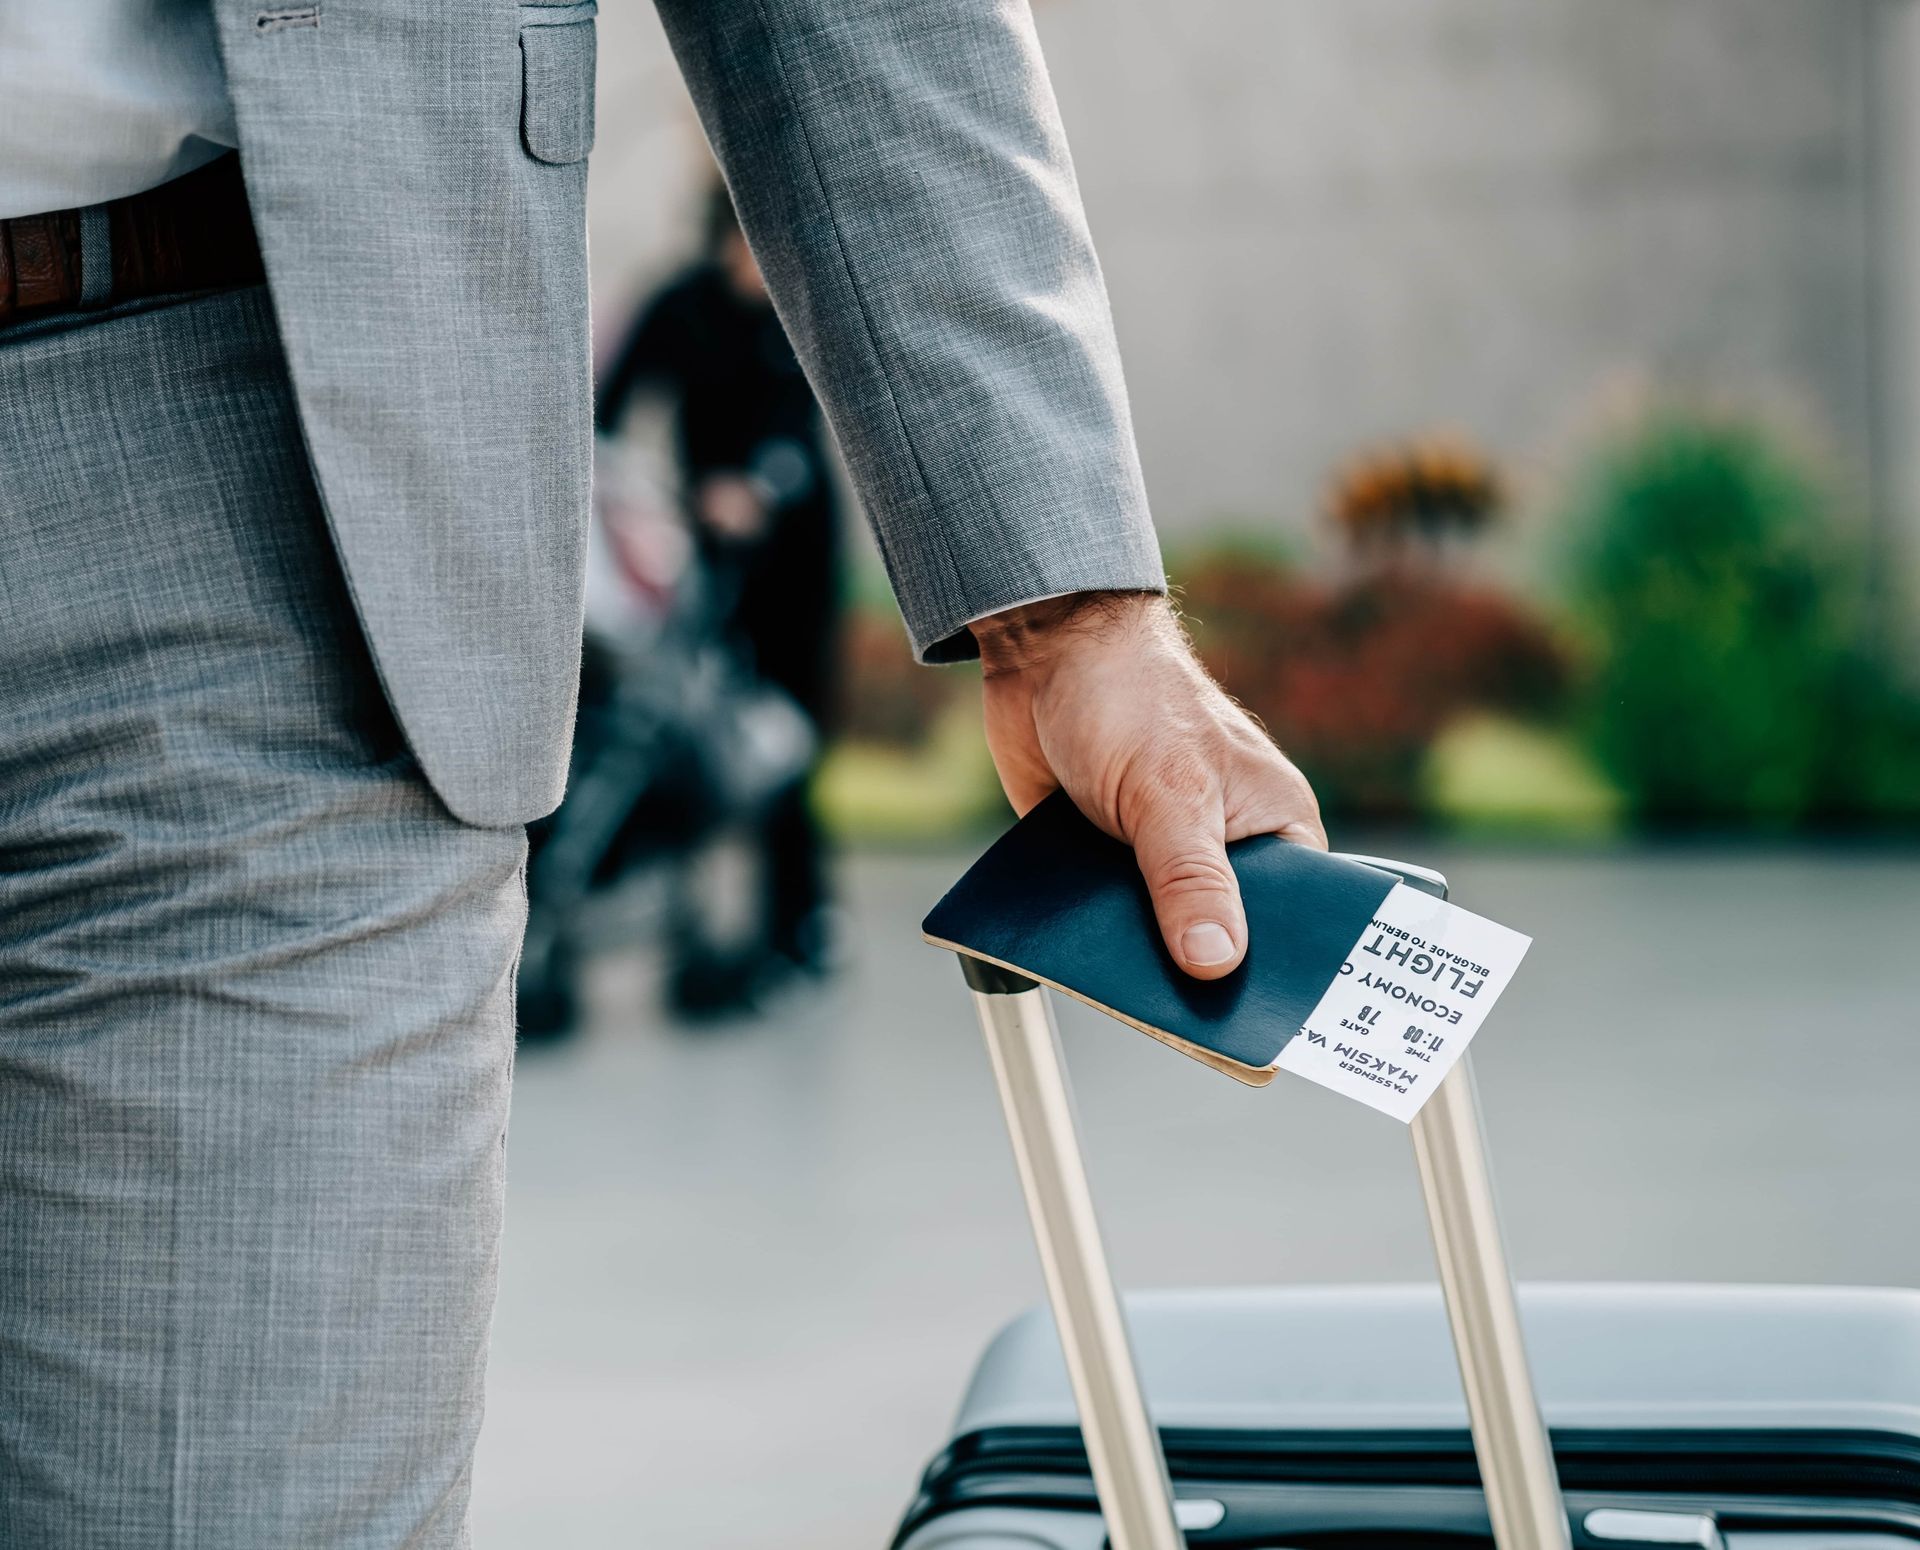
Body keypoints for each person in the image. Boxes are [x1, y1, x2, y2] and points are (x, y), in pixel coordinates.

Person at [0, 3, 1325, 1546]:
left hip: (264, 470)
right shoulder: (689, 319)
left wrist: (1066, 599)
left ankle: (781, 934)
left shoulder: (735, 335)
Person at [597, 183, 843, 1011]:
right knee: (690, 734)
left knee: (788, 739)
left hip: (794, 560)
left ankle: (798, 928)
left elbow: (810, 432)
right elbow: (608, 413)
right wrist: (643, 502)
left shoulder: (799, 311)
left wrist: (758, 491)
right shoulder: (679, 307)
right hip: (704, 572)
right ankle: (692, 928)